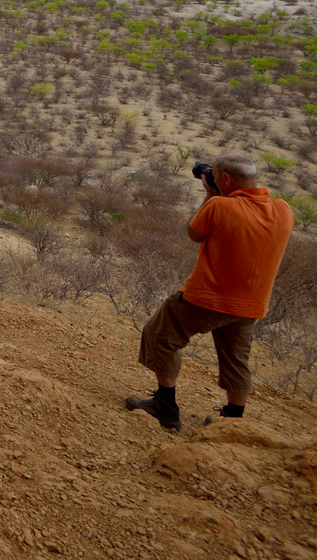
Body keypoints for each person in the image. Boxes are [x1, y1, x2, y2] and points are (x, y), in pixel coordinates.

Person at [125, 151, 294, 431]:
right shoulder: (284, 210)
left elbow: (195, 233)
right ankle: (232, 420)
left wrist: (211, 195)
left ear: (225, 179)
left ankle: (165, 406)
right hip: (251, 305)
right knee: (236, 359)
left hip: (208, 298)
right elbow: (251, 211)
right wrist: (223, 192)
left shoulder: (218, 206)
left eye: (214, 176)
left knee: (159, 335)